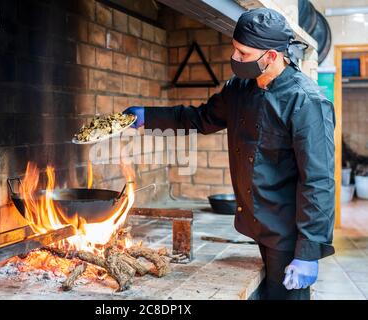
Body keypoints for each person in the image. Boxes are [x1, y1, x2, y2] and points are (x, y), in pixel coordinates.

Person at [124, 8, 336, 300]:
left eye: (243, 53)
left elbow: (319, 181)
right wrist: (149, 116)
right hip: (254, 223)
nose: (235, 58)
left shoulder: (307, 102)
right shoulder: (239, 89)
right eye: (234, 49)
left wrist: (309, 250)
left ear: (272, 56)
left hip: (288, 234)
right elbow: (200, 118)